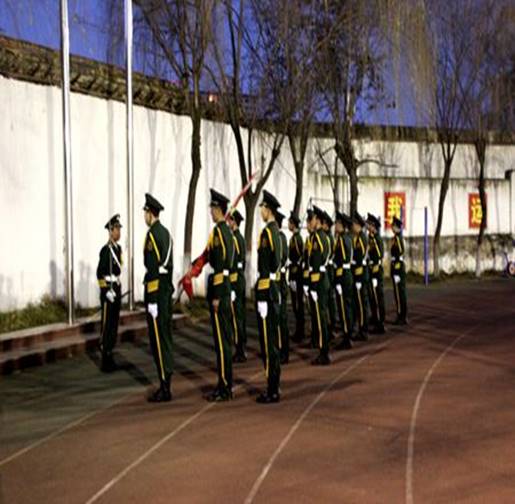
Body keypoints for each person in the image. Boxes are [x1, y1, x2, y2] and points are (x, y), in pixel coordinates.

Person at [143, 193, 174, 402]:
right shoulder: (166, 233)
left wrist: (152, 299)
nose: (144, 216)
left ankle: (164, 386)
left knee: (158, 339)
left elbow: (153, 267)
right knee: (166, 337)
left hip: (157, 291)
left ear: (149, 213)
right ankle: (166, 379)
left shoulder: (152, 235)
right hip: (166, 289)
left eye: (145, 212)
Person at [206, 189, 235, 401]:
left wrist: (216, 295)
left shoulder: (219, 233)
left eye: (212, 208)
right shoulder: (227, 232)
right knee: (224, 339)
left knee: (221, 342)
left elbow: (220, 265)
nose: (210, 212)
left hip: (220, 290)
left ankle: (224, 385)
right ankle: (225, 383)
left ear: (218, 209)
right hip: (226, 288)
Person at [255, 190, 282, 404]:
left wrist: (263, 293)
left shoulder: (268, 233)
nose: (261, 212)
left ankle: (272, 388)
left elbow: (269, 264)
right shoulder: (276, 232)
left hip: (267, 289)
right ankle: (273, 385)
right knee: (271, 341)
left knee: (268, 342)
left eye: (262, 208)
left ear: (268, 209)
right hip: (272, 288)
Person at [96, 214, 123, 372]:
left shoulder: (118, 249)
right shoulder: (106, 250)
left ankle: (110, 353)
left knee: (114, 324)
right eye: (116, 229)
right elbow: (99, 273)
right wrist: (106, 291)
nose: (118, 232)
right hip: (108, 290)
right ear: (110, 231)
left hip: (116, 288)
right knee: (107, 325)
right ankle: (105, 358)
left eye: (119, 229)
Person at [308, 206, 331, 365]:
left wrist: (314, 284)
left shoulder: (318, 237)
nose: (311, 221)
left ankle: (324, 352)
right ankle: (324, 349)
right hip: (323, 279)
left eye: (313, 218)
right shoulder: (324, 236)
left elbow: (316, 261)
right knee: (321, 316)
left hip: (319, 281)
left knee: (320, 317)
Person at [228, 209, 247, 363]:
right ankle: (242, 346)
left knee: (236, 317)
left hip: (235, 281)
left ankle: (239, 349)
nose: (228, 222)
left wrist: (232, 284)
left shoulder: (234, 239)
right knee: (240, 315)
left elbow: (233, 262)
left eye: (230, 220)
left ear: (234, 222)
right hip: (240, 278)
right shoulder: (240, 238)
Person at [332, 211, 353, 350]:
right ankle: (347, 334)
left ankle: (347, 337)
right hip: (346, 274)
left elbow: (343, 260)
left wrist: (338, 279)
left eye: (337, 224)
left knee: (344, 308)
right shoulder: (346, 238)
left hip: (343, 275)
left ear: (342, 225)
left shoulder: (342, 239)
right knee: (346, 306)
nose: (335, 226)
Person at [366, 213, 386, 334]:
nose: (367, 226)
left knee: (378, 297)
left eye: (369, 224)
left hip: (376, 271)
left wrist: (375, 272)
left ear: (373, 226)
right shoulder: (371, 238)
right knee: (372, 297)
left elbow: (379, 256)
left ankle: (380, 322)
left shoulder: (377, 239)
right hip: (371, 269)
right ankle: (374, 317)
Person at [351, 211, 369, 341]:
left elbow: (361, 256)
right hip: (357, 273)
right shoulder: (357, 237)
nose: (352, 226)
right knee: (358, 303)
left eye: (354, 224)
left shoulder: (362, 238)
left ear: (358, 225)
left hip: (360, 274)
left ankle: (363, 330)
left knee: (362, 303)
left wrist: (358, 276)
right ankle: (361, 327)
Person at [288, 212, 305, 343]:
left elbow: (300, 257)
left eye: (289, 223)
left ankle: (301, 331)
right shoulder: (293, 238)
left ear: (293, 224)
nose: (288, 225)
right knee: (295, 305)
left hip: (297, 274)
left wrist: (295, 274)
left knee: (298, 305)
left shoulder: (297, 239)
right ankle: (299, 330)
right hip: (294, 272)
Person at [276, 210, 290, 364]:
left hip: (279, 283)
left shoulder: (279, 238)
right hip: (280, 281)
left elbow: (280, 260)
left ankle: (283, 350)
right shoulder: (282, 237)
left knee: (281, 318)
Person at [322, 211, 337, 339]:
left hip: (329, 269)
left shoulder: (328, 238)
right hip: (328, 268)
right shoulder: (326, 237)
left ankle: (332, 325)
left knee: (330, 300)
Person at [390, 216, 408, 325]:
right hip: (396, 266)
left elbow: (400, 253)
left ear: (397, 227)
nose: (392, 228)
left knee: (399, 293)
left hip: (398, 267)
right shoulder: (396, 238)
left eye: (393, 226)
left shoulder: (398, 238)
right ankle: (401, 314)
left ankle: (402, 315)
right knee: (398, 293)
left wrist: (396, 270)